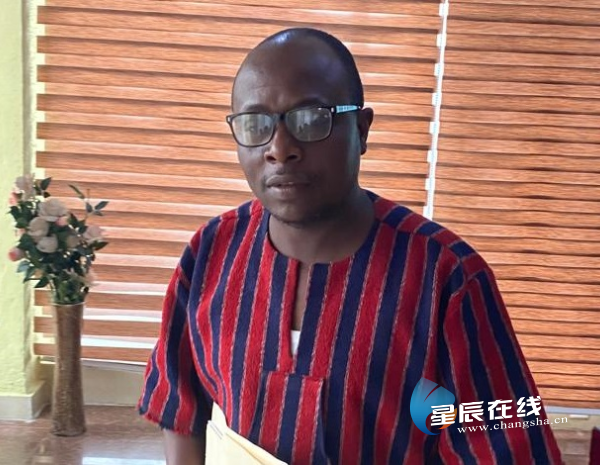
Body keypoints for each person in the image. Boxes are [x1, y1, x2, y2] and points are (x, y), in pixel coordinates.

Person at [139, 28, 563, 464]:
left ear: (361, 129)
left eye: (311, 119)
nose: (279, 149)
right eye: (255, 124)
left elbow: (510, 448)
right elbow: (180, 409)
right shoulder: (212, 252)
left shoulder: (448, 280)